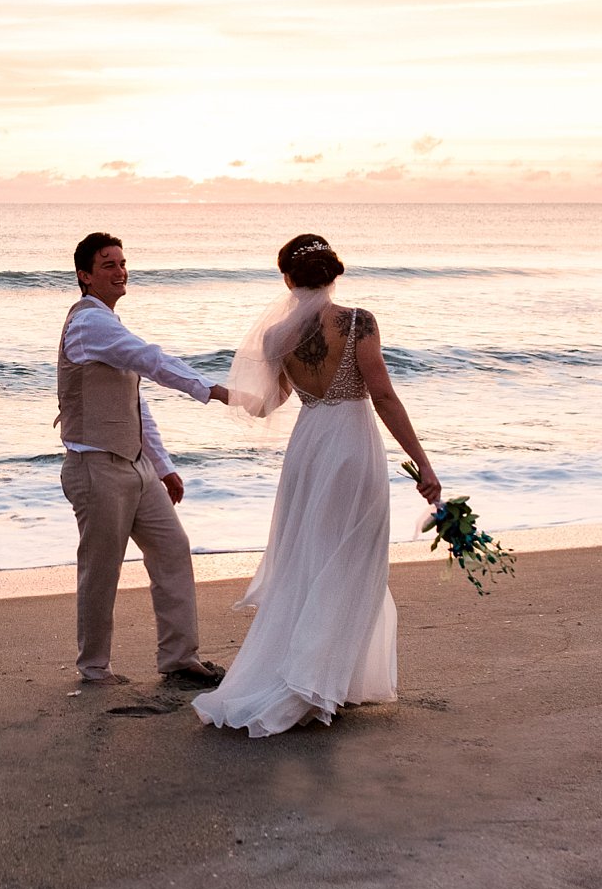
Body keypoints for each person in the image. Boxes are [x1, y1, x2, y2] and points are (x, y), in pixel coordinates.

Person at [192, 233, 441, 737]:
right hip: (351, 445)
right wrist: (424, 465)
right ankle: (312, 681)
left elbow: (267, 404)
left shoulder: (275, 337)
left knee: (311, 557)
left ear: (287, 278)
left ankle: (319, 678)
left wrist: (218, 393)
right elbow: (384, 396)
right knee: (351, 556)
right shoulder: (356, 322)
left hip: (308, 447)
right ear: (335, 272)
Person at [58, 232, 232, 689]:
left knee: (172, 549)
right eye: (108, 264)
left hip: (136, 467)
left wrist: (163, 465)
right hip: (96, 467)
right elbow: (150, 358)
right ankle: (94, 668)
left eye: (122, 262)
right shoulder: (89, 324)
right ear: (85, 275)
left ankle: (179, 658)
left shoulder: (110, 327)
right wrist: (210, 389)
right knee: (101, 570)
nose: (120, 271)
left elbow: (136, 403)